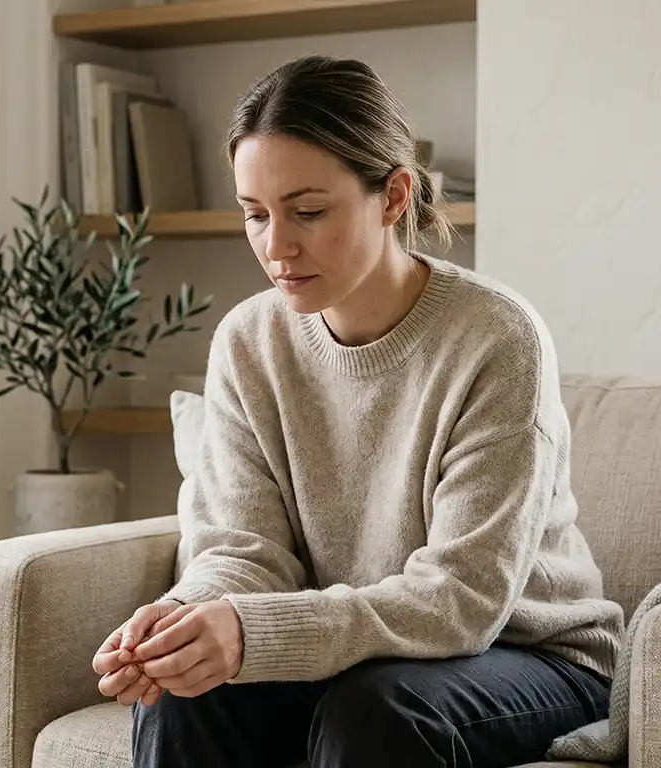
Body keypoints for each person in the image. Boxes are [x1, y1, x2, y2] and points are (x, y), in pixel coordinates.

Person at [89, 54, 624, 768]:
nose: (276, 247)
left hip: (531, 654)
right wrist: (185, 621)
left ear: (394, 196)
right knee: (189, 695)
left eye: (308, 212)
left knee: (375, 711)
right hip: (353, 656)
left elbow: (462, 599)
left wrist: (253, 635)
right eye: (255, 214)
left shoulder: (497, 339)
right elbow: (243, 551)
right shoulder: (248, 342)